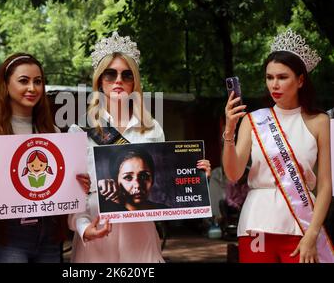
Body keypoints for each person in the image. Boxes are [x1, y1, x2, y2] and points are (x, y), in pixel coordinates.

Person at [68, 31, 211, 263]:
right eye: (110, 74)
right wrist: (84, 228)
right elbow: (72, 196)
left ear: (134, 82)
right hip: (96, 238)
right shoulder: (79, 131)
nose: (118, 81)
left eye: (126, 75)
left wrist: (195, 177)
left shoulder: (152, 129)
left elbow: (169, 182)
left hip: (140, 237)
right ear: (99, 81)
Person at [223, 28, 334, 263]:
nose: (275, 84)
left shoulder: (320, 122)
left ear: (301, 79)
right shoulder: (253, 120)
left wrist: (312, 233)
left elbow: (325, 185)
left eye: (282, 77)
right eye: (270, 77)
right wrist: (230, 130)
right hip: (256, 225)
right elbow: (233, 174)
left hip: (300, 225)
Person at [0, 53, 89, 263]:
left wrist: (78, 185)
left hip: (49, 235)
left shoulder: (54, 132)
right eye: (23, 81)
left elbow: (61, 188)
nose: (32, 88)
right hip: (7, 237)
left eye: (38, 81)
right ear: (6, 85)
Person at [97, 148, 169, 212]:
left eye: (144, 176)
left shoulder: (166, 212)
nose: (137, 185)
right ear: (115, 181)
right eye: (128, 177)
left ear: (152, 178)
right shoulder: (106, 211)